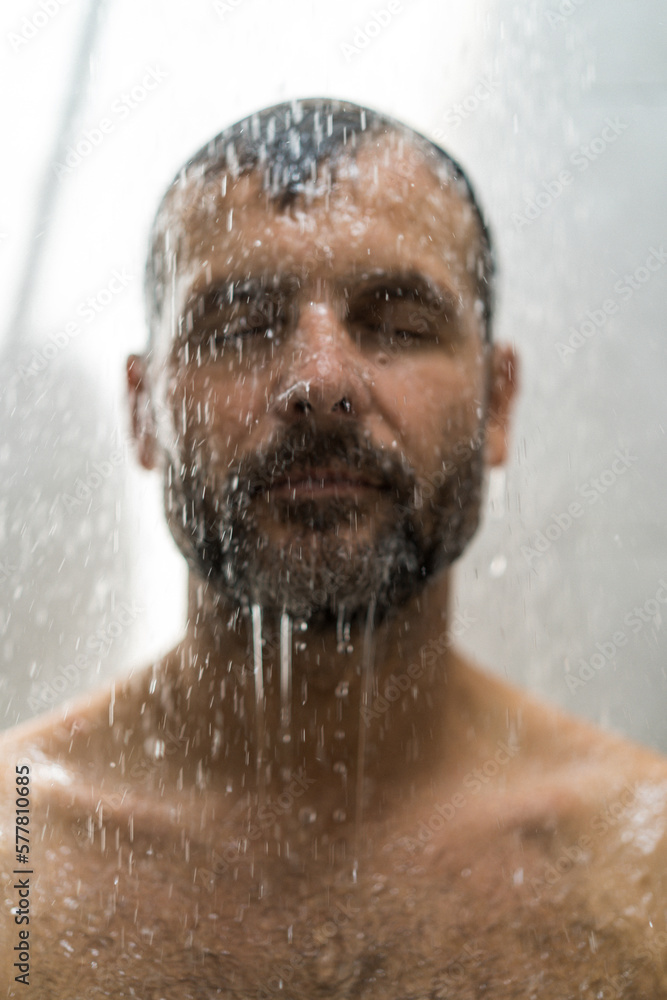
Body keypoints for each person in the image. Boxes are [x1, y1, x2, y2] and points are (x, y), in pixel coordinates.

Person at [1, 97, 666, 999]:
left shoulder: (643, 863)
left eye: (395, 324)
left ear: (496, 404)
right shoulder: (18, 857)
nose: (319, 382)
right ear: (143, 411)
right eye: (240, 326)